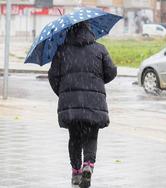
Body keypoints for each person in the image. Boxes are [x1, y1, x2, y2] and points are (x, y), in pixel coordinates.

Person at [48, 22, 117, 187]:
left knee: (74, 137)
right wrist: (98, 80)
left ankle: (76, 172)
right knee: (91, 135)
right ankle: (88, 165)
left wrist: (64, 92)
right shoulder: (99, 49)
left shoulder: (62, 51)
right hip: (94, 102)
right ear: (90, 30)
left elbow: (53, 76)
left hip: (71, 104)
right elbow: (111, 72)